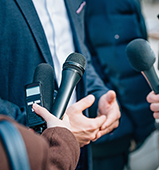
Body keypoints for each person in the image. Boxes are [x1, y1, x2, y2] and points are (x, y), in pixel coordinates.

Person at [0, 0, 120, 170]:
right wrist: (54, 131)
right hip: (25, 154)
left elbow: (79, 55)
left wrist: (99, 94)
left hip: (81, 152)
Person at [84, 0, 155, 169]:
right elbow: (124, 70)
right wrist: (145, 127)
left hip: (98, 125)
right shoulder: (109, 4)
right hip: (113, 128)